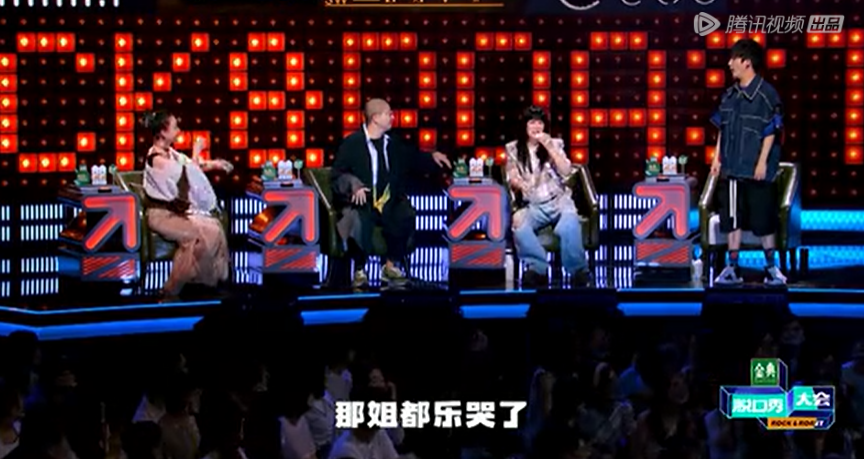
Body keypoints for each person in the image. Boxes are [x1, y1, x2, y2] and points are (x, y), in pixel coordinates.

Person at [331, 98, 451, 288]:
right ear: (375, 118)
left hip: (389, 201)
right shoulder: (352, 143)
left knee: (405, 213)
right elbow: (338, 175)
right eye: (388, 114)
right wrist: (354, 185)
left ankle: (390, 266)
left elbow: (413, 157)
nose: (392, 117)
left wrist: (432, 156)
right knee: (356, 218)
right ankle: (360, 270)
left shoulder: (393, 143)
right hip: (362, 200)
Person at [709, 38, 787, 286]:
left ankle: (771, 268)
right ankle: (732, 268)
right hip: (731, 169)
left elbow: (771, 131)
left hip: (756, 171)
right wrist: (716, 157)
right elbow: (722, 128)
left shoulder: (766, 94)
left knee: (763, 220)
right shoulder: (729, 96)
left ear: (747, 62)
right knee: (732, 218)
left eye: (733, 59)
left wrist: (762, 162)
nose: (729, 64)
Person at [140, 110, 233, 298]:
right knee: (196, 236)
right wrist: (197, 150)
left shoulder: (171, 154)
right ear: (163, 132)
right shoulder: (156, 159)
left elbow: (192, 165)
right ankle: (173, 289)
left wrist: (216, 164)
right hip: (161, 215)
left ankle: (214, 281)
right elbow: (188, 173)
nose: (178, 131)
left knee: (213, 227)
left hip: (176, 213)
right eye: (175, 127)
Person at [505, 105, 590, 287]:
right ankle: (538, 268)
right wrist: (520, 184)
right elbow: (512, 176)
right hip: (534, 205)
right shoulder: (513, 149)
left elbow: (566, 170)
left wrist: (550, 147)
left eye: (540, 123)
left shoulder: (555, 144)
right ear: (525, 126)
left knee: (569, 225)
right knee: (519, 223)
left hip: (559, 202)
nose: (536, 127)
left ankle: (578, 271)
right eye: (532, 122)